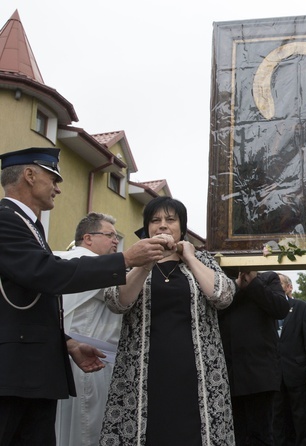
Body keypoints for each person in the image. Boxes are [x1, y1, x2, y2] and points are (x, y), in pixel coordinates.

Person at [0, 147, 170, 445]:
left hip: (33, 372)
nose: (58, 188)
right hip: (14, 375)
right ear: (29, 175)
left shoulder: (29, 225)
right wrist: (124, 260)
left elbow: (30, 302)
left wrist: (67, 344)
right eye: (53, 178)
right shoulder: (7, 220)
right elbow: (47, 274)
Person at [98, 196, 240, 445]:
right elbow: (117, 302)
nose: (162, 225)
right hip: (145, 372)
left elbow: (223, 296)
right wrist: (145, 262)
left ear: (181, 228)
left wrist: (191, 259)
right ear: (147, 228)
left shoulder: (203, 260)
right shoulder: (132, 261)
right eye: (155, 220)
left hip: (197, 373)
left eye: (170, 220)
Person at [54, 213, 123, 446]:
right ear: (87, 238)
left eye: (116, 237)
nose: (115, 241)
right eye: (109, 235)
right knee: (88, 430)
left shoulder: (56, 262)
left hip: (62, 358)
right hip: (90, 361)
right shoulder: (94, 267)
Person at [218, 270, 290, 446]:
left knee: (261, 435)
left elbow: (280, 308)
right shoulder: (218, 277)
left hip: (260, 374)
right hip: (227, 373)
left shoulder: (268, 279)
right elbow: (212, 312)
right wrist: (236, 286)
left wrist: (253, 283)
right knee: (234, 435)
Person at [273, 273, 306, 446]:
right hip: (274, 375)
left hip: (298, 372)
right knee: (278, 419)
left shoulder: (302, 307)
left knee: (302, 419)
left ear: (289, 287)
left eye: (278, 283)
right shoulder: (266, 309)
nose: (275, 287)